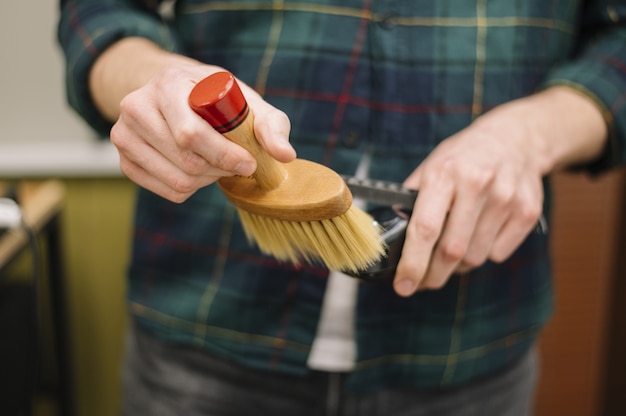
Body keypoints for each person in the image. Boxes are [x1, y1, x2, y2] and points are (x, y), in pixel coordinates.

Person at [58, 1, 626, 415]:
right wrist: (152, 80)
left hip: (470, 343)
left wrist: (531, 134)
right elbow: (101, 13)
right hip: (203, 327)